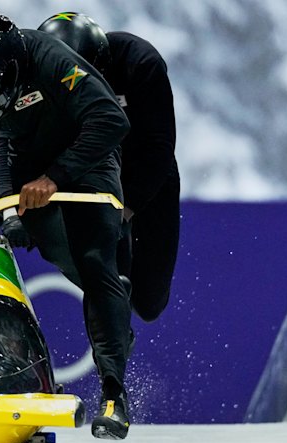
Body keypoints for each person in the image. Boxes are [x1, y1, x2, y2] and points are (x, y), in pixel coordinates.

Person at [0, 5, 133, 440]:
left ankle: (113, 395)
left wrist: (55, 177)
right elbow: (5, 143)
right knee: (63, 255)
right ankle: (116, 308)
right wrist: (10, 211)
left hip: (89, 160)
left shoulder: (52, 61)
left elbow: (111, 120)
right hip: (35, 167)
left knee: (95, 259)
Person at [38, 12, 180, 323]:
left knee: (149, 301)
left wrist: (127, 208)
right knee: (109, 285)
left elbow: (160, 147)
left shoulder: (140, 63)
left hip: (146, 171)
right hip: (91, 172)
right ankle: (114, 356)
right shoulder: (36, 71)